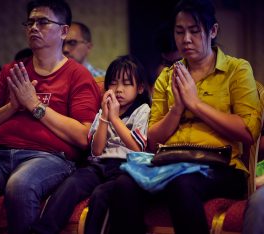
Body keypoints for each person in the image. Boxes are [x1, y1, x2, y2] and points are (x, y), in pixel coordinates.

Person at [108, 0, 261, 234]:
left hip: (222, 165)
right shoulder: (167, 77)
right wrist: (177, 109)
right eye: (179, 31)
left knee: (182, 185)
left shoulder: (237, 70)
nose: (186, 39)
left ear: (213, 31)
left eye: (194, 30)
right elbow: (150, 141)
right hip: (171, 162)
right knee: (123, 185)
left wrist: (196, 104)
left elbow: (248, 131)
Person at [0, 0, 101, 234]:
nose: (33, 27)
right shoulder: (12, 70)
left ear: (63, 31)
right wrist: (12, 106)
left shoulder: (78, 75)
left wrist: (35, 105)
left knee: (20, 185)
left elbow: (84, 137)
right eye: (30, 22)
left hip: (49, 157)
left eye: (42, 22)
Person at [31, 55, 150, 234]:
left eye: (126, 84)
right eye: (113, 83)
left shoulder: (143, 110)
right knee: (71, 185)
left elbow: (136, 147)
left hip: (126, 168)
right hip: (99, 165)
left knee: (100, 195)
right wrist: (105, 116)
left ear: (140, 88)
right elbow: (96, 150)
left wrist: (115, 119)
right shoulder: (103, 110)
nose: (119, 90)